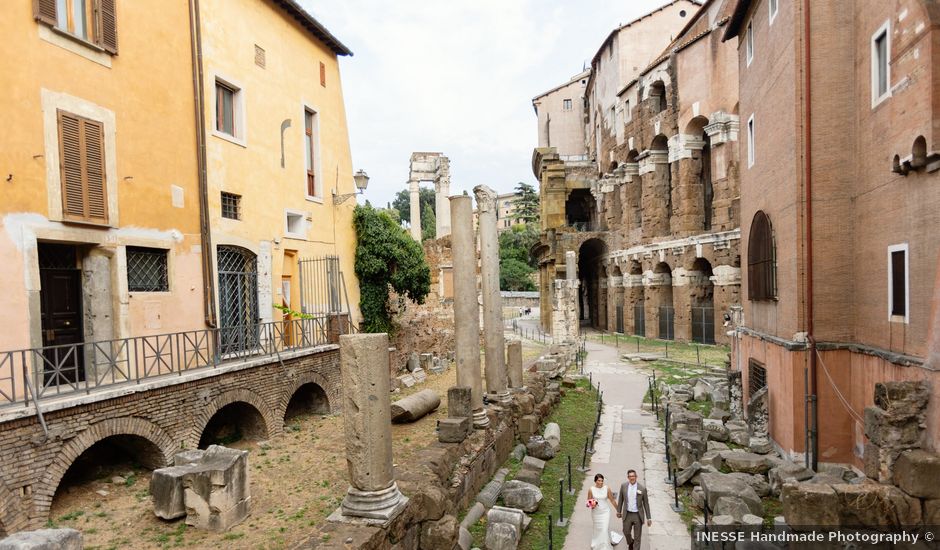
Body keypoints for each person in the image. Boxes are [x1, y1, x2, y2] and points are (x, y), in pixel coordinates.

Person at [616, 469, 651, 550]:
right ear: (628, 477)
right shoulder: (624, 486)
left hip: (637, 515)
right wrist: (618, 511)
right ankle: (630, 542)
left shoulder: (642, 488)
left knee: (637, 537)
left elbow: (646, 504)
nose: (632, 478)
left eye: (633, 476)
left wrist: (649, 518)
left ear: (636, 477)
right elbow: (621, 499)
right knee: (626, 532)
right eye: (630, 476)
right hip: (627, 514)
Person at [588, 473, 618, 550]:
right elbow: (588, 502)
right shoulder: (591, 489)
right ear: (595, 481)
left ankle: (605, 547)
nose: (601, 482)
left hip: (605, 512)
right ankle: (596, 543)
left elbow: (612, 500)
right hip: (596, 513)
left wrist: (618, 510)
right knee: (598, 529)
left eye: (602, 480)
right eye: (599, 480)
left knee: (604, 529)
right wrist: (593, 504)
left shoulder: (607, 488)